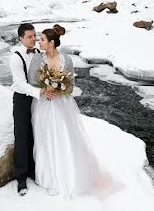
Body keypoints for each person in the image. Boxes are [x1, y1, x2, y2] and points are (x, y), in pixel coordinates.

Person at [28, 24, 101, 197]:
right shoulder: (38, 59)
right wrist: (45, 88)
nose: (39, 42)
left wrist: (58, 89)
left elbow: (71, 85)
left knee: (62, 135)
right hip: (42, 104)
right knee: (44, 137)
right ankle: (48, 178)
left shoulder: (66, 60)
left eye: (43, 40)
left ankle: (67, 173)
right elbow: (32, 80)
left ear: (51, 42)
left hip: (61, 105)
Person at [7, 22, 51, 196]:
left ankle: (34, 169)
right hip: (22, 100)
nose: (34, 39)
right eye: (30, 37)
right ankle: (21, 177)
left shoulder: (40, 52)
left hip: (38, 100)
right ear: (21, 38)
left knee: (37, 134)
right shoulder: (16, 58)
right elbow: (20, 84)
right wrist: (40, 92)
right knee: (22, 136)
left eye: (35, 35)